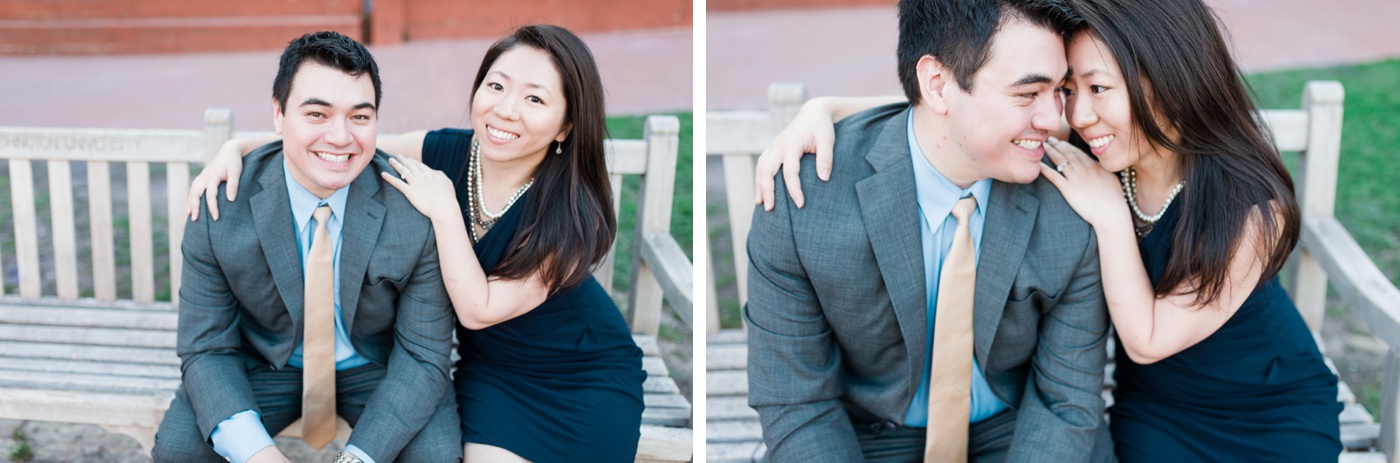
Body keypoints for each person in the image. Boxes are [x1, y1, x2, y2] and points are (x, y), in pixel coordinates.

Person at [758, 0, 1344, 460]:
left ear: (1167, 81)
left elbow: (1136, 346)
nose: (1070, 116)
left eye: (1094, 90)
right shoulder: (1081, 148)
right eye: (1065, 91)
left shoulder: (1240, 208)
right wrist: (826, 108)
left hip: (1263, 406)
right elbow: (963, 97)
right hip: (1156, 409)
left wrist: (1111, 217)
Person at [187, 25, 647, 463]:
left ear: (566, 125)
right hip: (491, 369)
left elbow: (477, 308)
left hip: (583, 369)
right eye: (496, 86)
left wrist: (445, 209)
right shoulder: (444, 151)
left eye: (534, 98)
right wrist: (237, 148)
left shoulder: (573, 213)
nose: (506, 110)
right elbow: (347, 140)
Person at [743, 0, 1114, 461]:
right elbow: (797, 402)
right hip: (862, 436)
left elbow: (1065, 403)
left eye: (1058, 90)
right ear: (938, 86)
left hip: (1017, 432)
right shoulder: (805, 201)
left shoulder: (1072, 199)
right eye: (1027, 94)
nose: (1053, 120)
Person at [153, 31, 460, 463]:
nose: (340, 137)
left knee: (435, 456)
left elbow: (423, 355)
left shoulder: (413, 208)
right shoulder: (219, 204)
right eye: (317, 113)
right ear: (278, 115)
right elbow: (207, 348)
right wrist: (261, 457)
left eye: (359, 117)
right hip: (265, 363)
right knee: (181, 451)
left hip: (377, 367)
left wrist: (357, 459)